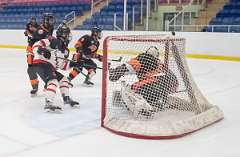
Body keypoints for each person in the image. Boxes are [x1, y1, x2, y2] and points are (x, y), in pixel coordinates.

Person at [109, 46, 179, 118]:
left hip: (155, 85)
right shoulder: (158, 62)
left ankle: (142, 110)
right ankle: (156, 103)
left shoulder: (145, 58)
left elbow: (131, 65)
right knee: (144, 88)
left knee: (130, 89)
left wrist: (116, 71)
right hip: (170, 86)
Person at [31, 25, 79, 112]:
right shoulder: (52, 40)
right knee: (53, 81)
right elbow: (35, 45)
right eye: (67, 35)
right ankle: (48, 102)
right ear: (63, 35)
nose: (68, 37)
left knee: (64, 80)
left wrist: (73, 64)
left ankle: (66, 98)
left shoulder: (64, 49)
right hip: (41, 64)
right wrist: (42, 50)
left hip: (49, 67)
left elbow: (62, 66)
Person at [26, 13, 55, 96]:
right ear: (45, 20)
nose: (52, 21)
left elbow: (47, 40)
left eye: (52, 19)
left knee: (47, 66)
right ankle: (35, 87)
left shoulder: (51, 27)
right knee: (31, 69)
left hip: (42, 49)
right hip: (33, 49)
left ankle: (47, 83)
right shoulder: (40, 30)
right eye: (50, 19)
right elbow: (36, 43)